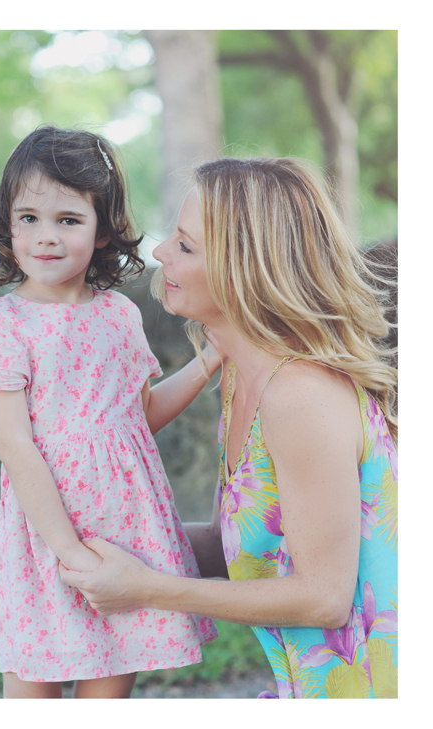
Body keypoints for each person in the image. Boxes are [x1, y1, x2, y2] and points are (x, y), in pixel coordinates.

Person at [60, 157, 398, 699]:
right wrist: (75, 548)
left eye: (186, 245)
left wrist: (147, 589)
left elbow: (324, 597)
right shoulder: (245, 377)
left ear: (247, 269)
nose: (161, 253)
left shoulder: (301, 395)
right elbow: (229, 543)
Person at [0, 126, 219, 699]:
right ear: (7, 223)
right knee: (31, 690)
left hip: (122, 534)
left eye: (68, 220)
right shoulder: (2, 323)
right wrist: (69, 552)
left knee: (106, 693)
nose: (46, 237)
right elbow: (15, 445)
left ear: (103, 230)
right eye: (28, 218)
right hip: (45, 539)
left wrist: (212, 359)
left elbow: (139, 419)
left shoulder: (118, 316)